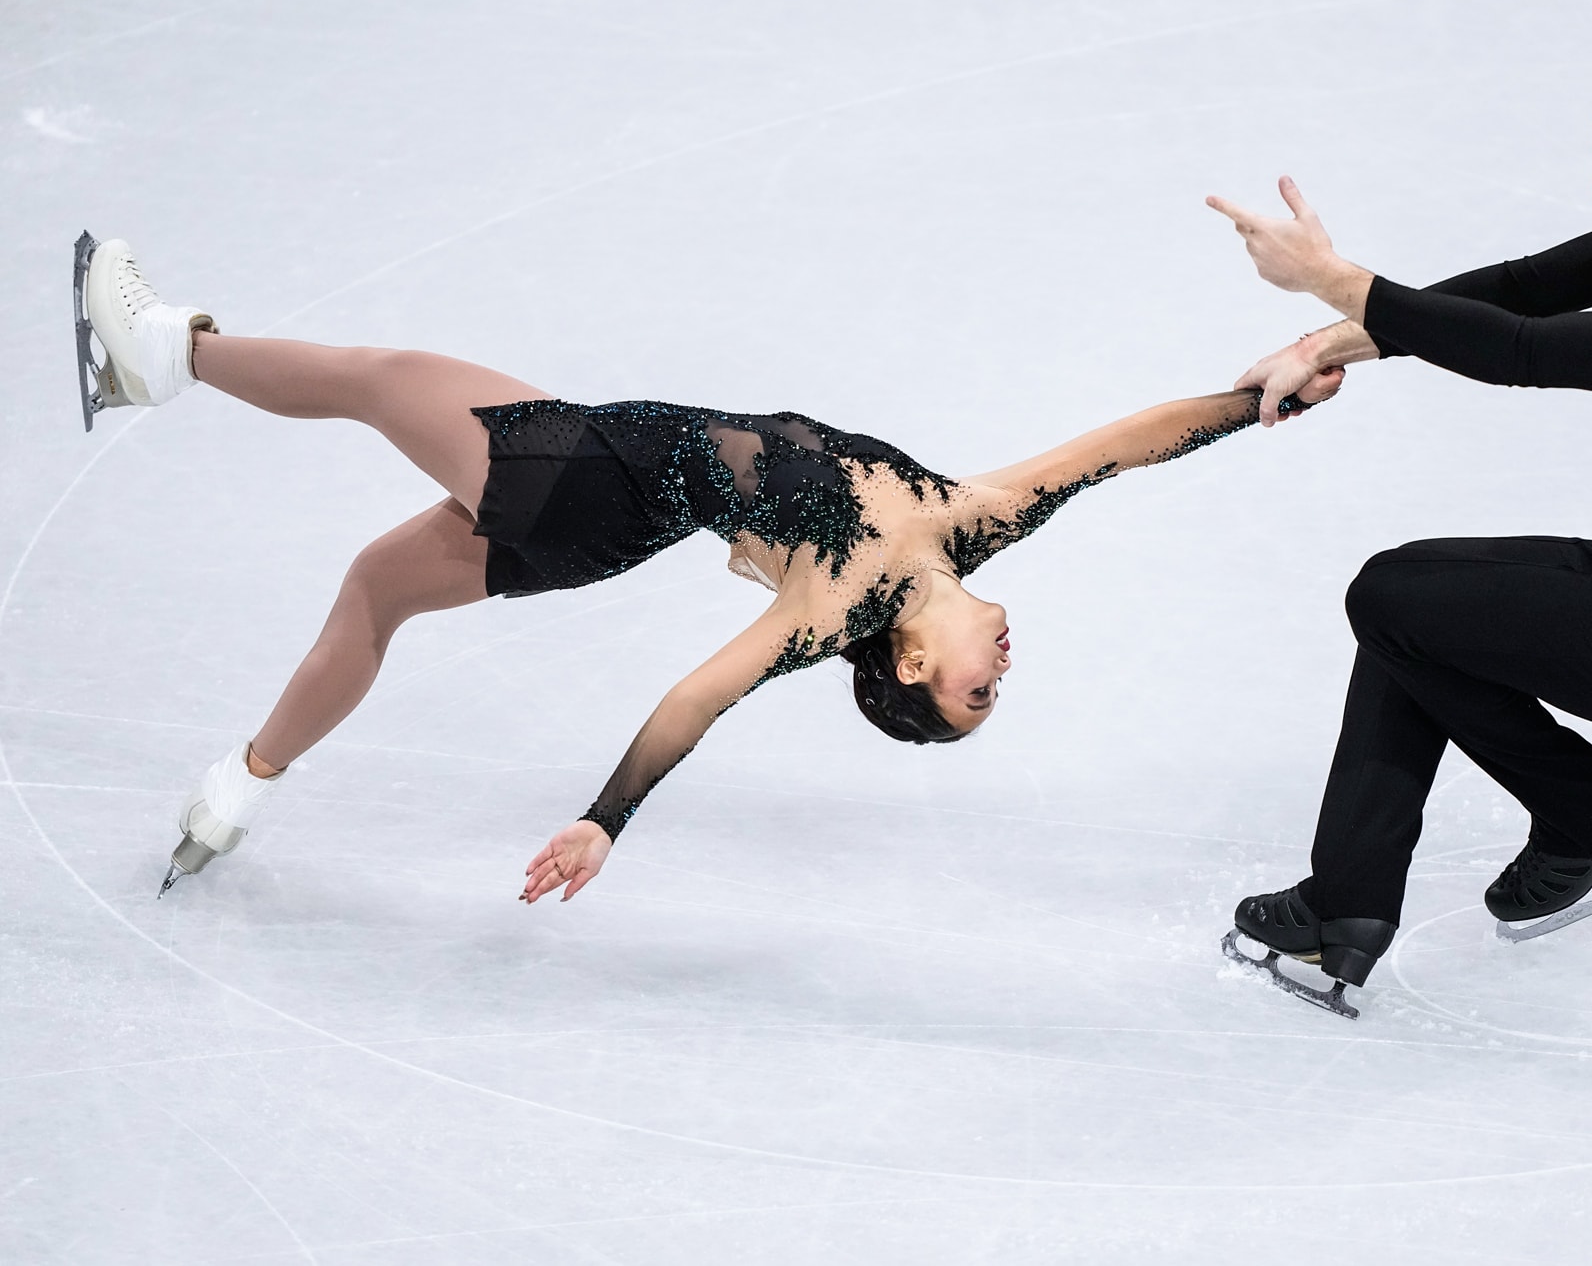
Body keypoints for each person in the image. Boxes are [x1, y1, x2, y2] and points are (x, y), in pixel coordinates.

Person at [72, 236, 1337, 902]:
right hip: (606, 491)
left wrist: (605, 816)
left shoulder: (836, 597)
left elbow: (692, 698)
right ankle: (235, 792)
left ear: (904, 659)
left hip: (589, 478)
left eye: (973, 695)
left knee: (372, 380)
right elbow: (1123, 448)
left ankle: (161, 352)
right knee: (376, 589)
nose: (999, 673)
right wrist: (1259, 399)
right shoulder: (976, 520)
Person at [1204, 56, 1592, 997]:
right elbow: (1517, 291)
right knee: (1411, 604)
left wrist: (1332, 280)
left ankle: (1574, 815)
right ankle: (1363, 902)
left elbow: (1522, 354)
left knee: (1394, 594)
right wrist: (1330, 342)